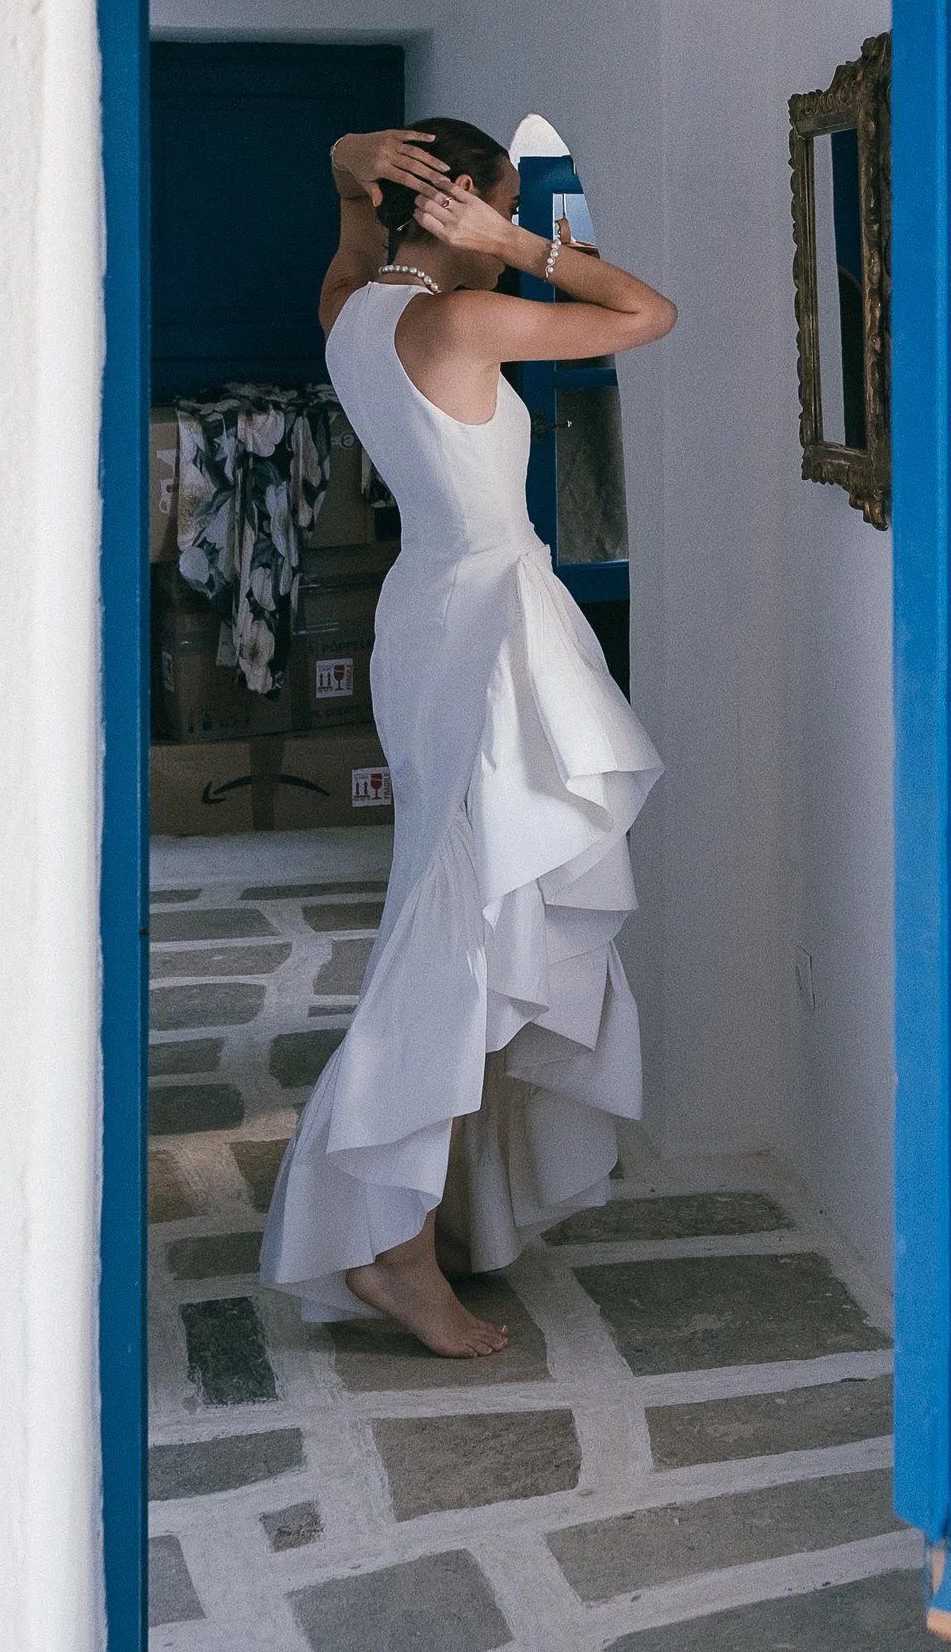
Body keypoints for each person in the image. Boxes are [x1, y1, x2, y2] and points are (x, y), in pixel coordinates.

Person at [258, 117, 677, 1357]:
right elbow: (645, 315)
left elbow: (346, 209)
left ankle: (416, 1216)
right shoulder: (459, 320)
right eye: (501, 205)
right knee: (459, 928)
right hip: (485, 625)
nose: (502, 233)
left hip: (434, 616)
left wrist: (347, 160)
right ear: (464, 207)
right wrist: (518, 248)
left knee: (455, 912)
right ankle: (389, 1249)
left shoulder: (350, 306)